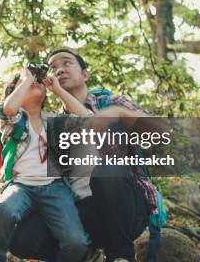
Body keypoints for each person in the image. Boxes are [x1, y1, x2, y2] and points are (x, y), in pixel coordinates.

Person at [9, 49, 157, 262]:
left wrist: (121, 113)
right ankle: (87, 256)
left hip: (127, 207)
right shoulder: (53, 124)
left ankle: (120, 256)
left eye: (67, 63)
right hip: (82, 213)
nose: (59, 69)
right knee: (19, 237)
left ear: (85, 74)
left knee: (106, 171)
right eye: (53, 68)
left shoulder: (110, 102)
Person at [0, 66, 91, 262]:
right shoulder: (14, 121)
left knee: (77, 242)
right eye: (24, 82)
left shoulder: (54, 121)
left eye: (37, 81)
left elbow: (87, 119)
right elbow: (8, 109)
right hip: (20, 185)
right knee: (3, 211)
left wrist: (58, 89)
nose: (34, 81)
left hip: (55, 187)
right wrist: (26, 78)